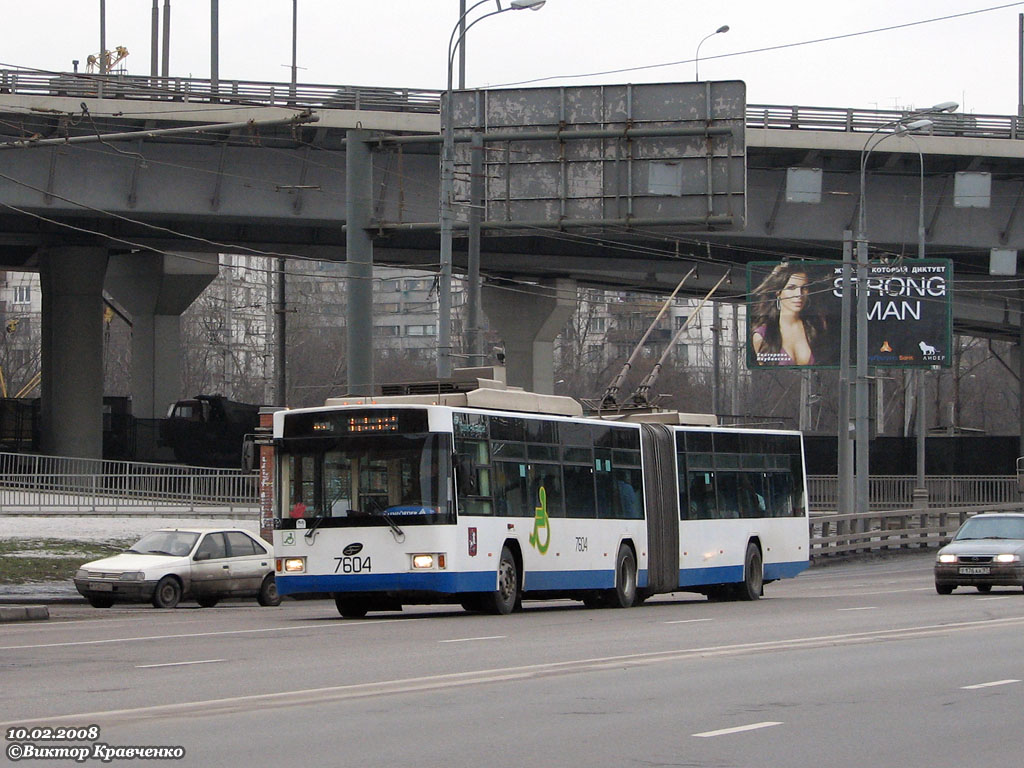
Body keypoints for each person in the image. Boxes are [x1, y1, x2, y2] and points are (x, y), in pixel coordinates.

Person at [749, 263, 829, 366]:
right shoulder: (763, 336)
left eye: (804, 288)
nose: (799, 294)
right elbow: (765, 375)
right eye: (791, 288)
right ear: (778, 292)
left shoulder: (817, 326)